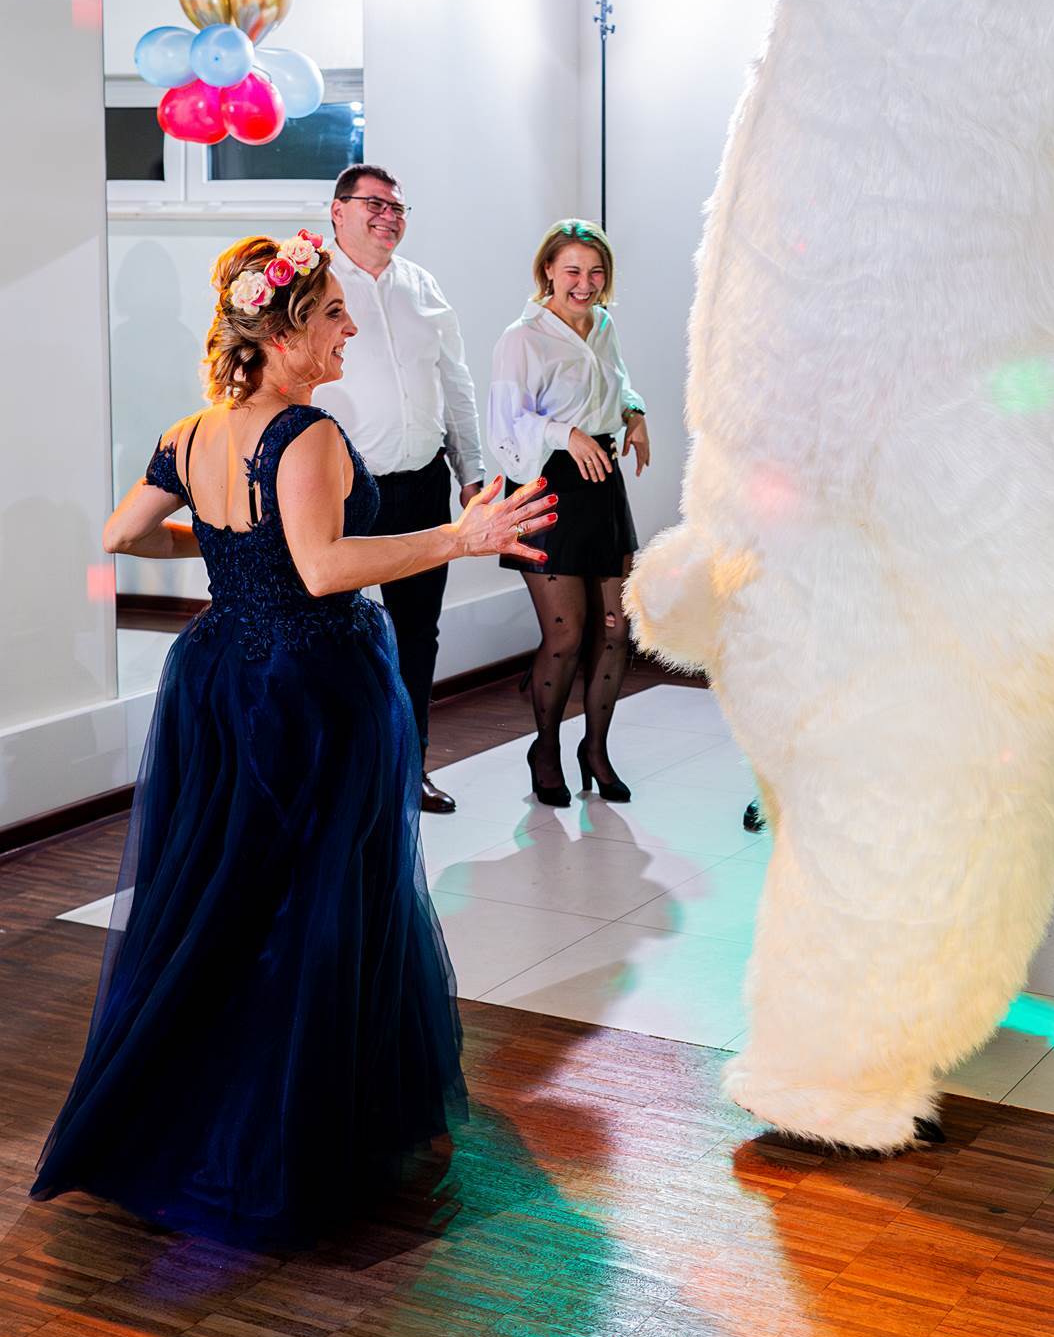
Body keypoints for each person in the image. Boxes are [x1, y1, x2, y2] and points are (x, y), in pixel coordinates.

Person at [32, 235, 555, 1249]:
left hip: (221, 677)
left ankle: (198, 1102)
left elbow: (122, 535)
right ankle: (291, 1133)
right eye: (331, 315)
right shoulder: (304, 433)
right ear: (280, 333)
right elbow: (322, 569)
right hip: (313, 690)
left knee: (228, 893)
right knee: (319, 897)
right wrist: (460, 539)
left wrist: (229, 546)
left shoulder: (190, 434)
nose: (349, 328)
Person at [316, 164, 487, 814]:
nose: (389, 216)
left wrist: (471, 473)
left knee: (417, 633)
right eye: (375, 204)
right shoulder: (311, 282)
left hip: (422, 486)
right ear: (339, 211)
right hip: (341, 493)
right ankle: (339, 774)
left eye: (398, 208)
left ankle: (410, 770)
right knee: (333, 633)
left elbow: (456, 384)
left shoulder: (423, 286)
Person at [489, 220, 649, 807]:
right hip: (548, 484)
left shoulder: (603, 325)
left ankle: (596, 750)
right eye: (573, 270)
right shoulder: (522, 338)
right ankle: (546, 750)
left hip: (601, 483)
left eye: (596, 271)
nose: (585, 283)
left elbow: (616, 383)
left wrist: (634, 413)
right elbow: (507, 423)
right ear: (548, 272)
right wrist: (567, 434)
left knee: (616, 630)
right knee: (566, 634)